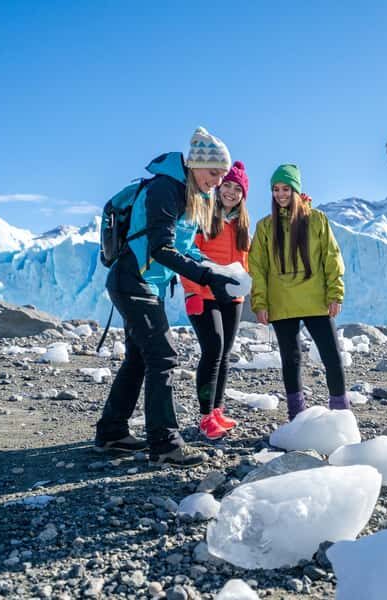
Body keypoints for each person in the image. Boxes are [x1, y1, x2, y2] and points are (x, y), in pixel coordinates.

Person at [94, 127, 238, 468]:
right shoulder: (165, 188)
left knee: (139, 359)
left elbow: (185, 248)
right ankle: (166, 445)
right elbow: (160, 248)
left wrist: (218, 270)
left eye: (222, 175)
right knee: (163, 358)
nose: (217, 181)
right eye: (214, 173)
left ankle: (111, 433)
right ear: (194, 165)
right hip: (134, 282)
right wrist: (204, 276)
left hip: (148, 285)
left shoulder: (192, 194)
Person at [248, 164, 349, 420]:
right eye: (275, 189)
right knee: (291, 361)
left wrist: (335, 293)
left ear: (296, 189)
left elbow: (331, 257)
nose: (280, 194)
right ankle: (297, 416)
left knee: (332, 358)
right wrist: (260, 303)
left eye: (286, 188)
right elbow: (258, 268)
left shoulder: (316, 219)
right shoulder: (264, 227)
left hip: (316, 301)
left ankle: (340, 414)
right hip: (281, 304)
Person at [181, 161, 251, 441]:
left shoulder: (241, 225)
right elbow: (186, 255)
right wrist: (192, 292)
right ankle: (205, 415)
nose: (231, 192)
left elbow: (245, 263)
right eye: (228, 186)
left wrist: (247, 294)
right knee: (213, 350)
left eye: (238, 189)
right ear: (219, 186)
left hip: (232, 297)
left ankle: (218, 409)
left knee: (224, 354)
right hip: (204, 294)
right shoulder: (202, 215)